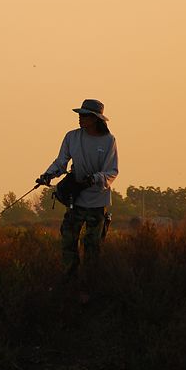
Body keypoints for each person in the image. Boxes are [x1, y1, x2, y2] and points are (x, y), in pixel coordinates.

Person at [36, 99, 119, 279]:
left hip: (98, 202)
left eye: (84, 115)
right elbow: (61, 162)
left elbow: (112, 171)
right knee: (68, 239)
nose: (80, 118)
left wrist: (95, 179)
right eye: (79, 115)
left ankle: (89, 282)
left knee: (92, 244)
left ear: (95, 119)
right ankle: (70, 279)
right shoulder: (72, 137)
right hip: (76, 200)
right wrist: (48, 175)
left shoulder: (108, 141)